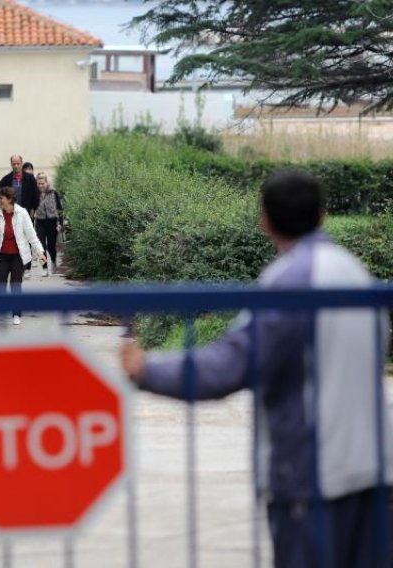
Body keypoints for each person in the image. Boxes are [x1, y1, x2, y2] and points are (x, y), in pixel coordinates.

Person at [121, 170, 393, 568]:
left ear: (264, 222)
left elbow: (230, 366)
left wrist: (147, 369)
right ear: (323, 215)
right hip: (374, 472)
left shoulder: (289, 283)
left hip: (313, 481)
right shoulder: (355, 274)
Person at [0, 186, 45, 326]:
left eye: (1, 198)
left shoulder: (22, 213)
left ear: (9, 199)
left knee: (16, 285)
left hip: (18, 256)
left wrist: (39, 251)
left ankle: (16, 313)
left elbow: (31, 235)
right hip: (1, 255)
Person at [34, 172, 63, 276]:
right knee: (40, 247)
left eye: (43, 183)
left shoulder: (53, 193)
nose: (41, 186)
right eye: (39, 184)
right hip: (40, 222)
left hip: (52, 221)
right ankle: (44, 268)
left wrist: (60, 223)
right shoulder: (34, 194)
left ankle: (54, 262)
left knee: (51, 246)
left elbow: (60, 209)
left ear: (46, 182)